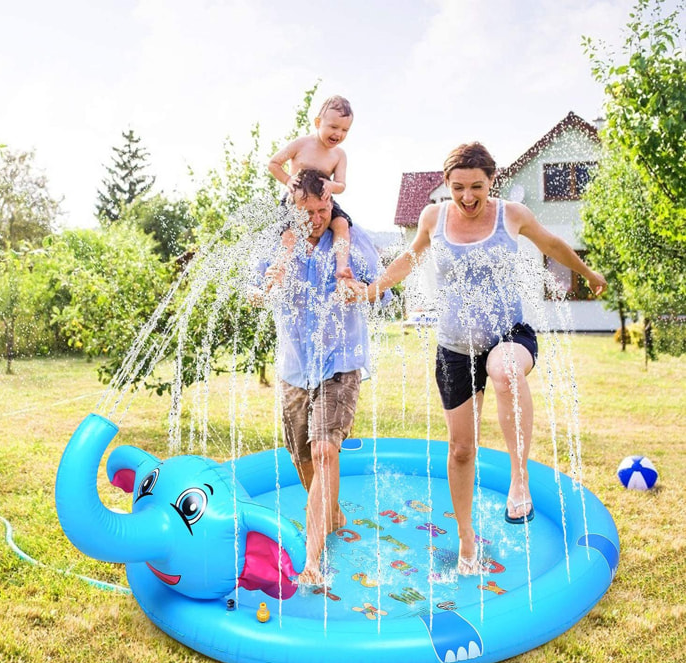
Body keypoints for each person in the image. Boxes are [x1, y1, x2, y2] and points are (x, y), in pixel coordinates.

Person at [348, 142, 607, 575]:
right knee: (462, 450)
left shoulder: (512, 215)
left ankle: (518, 476)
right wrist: (369, 291)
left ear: (492, 181)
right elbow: (406, 263)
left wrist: (588, 273)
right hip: (453, 347)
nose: (468, 197)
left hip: (508, 333)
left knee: (504, 369)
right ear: (447, 186)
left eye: (477, 187)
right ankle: (467, 541)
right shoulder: (433, 218)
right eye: (458, 187)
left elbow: (553, 243)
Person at [252, 168, 390, 585]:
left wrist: (363, 288)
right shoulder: (278, 246)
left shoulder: (349, 239)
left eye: (323, 207)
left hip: (340, 362)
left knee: (325, 451)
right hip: (295, 367)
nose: (317, 217)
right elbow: (253, 290)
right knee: (303, 456)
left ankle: (312, 560)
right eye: (308, 210)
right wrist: (262, 292)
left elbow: (381, 285)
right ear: (291, 208)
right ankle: (330, 512)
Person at [268, 95, 354, 279]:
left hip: (322, 200)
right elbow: (274, 164)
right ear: (317, 122)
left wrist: (332, 185)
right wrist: (287, 180)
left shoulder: (339, 154)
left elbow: (341, 185)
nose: (338, 134)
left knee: (341, 223)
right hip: (295, 201)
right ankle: (280, 270)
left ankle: (341, 268)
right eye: (333, 127)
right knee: (289, 232)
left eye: (345, 129)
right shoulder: (302, 144)